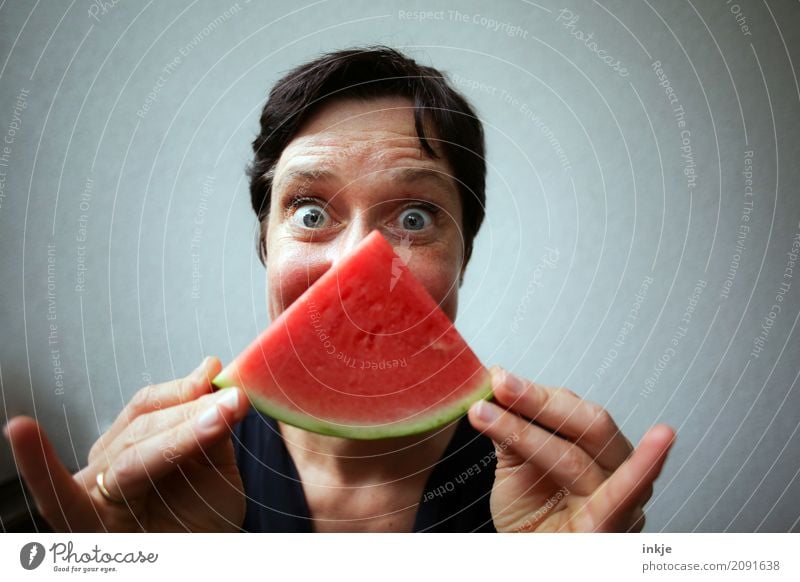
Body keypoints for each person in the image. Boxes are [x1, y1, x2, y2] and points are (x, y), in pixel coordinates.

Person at [2, 46, 675, 533]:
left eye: (415, 217)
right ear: (265, 245)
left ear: (463, 254)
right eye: (311, 212)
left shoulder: (544, 489)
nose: (357, 261)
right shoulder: (168, 486)